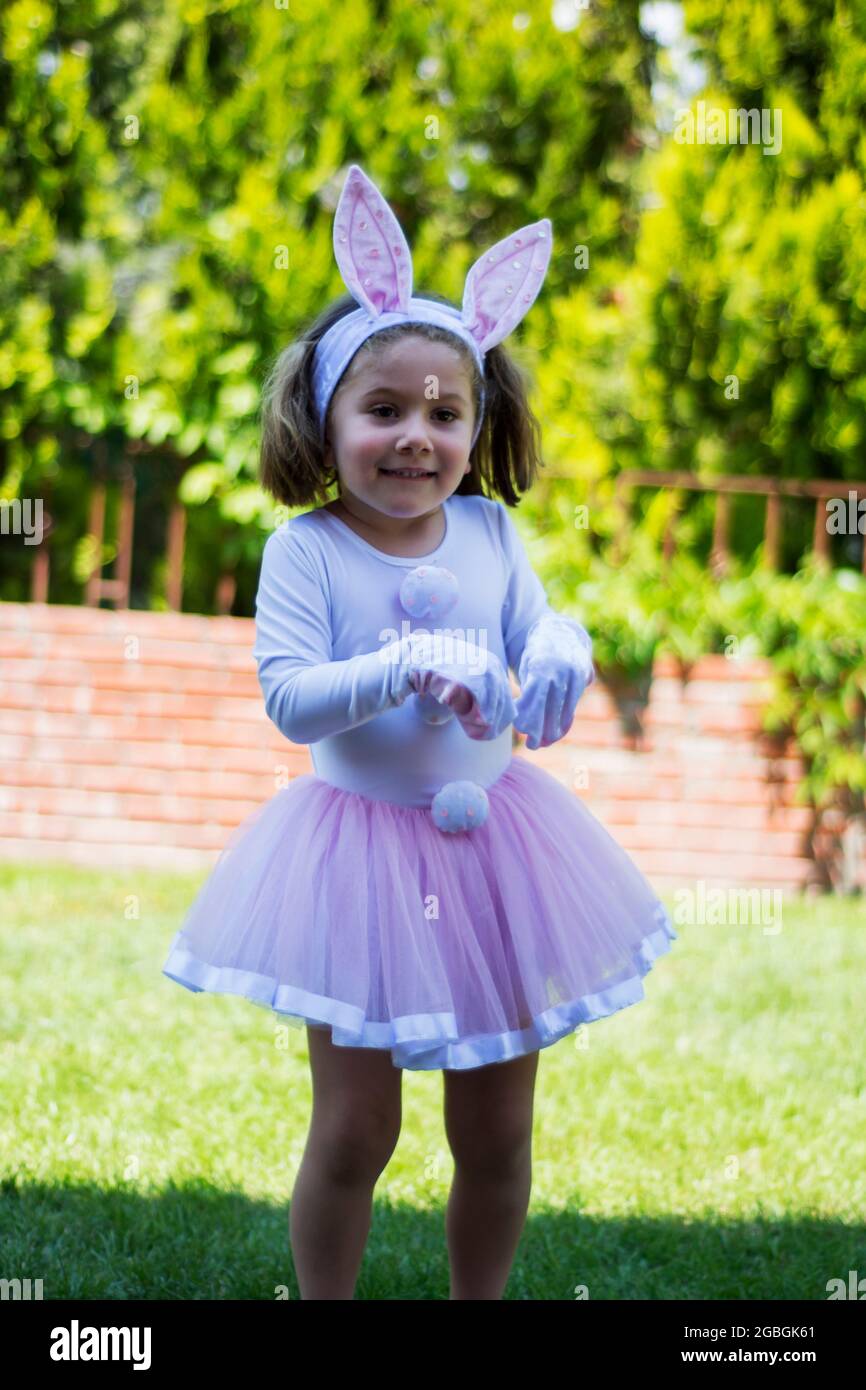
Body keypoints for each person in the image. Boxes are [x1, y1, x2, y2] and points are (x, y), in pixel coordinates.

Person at [162, 165, 677, 1300]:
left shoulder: (490, 531)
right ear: (324, 415)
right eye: (382, 409)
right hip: (357, 857)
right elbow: (290, 698)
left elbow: (534, 629)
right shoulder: (308, 549)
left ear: (478, 423)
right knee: (356, 1130)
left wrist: (559, 645)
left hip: (499, 855)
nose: (415, 436)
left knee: (496, 1134)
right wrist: (401, 662)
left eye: (446, 412)